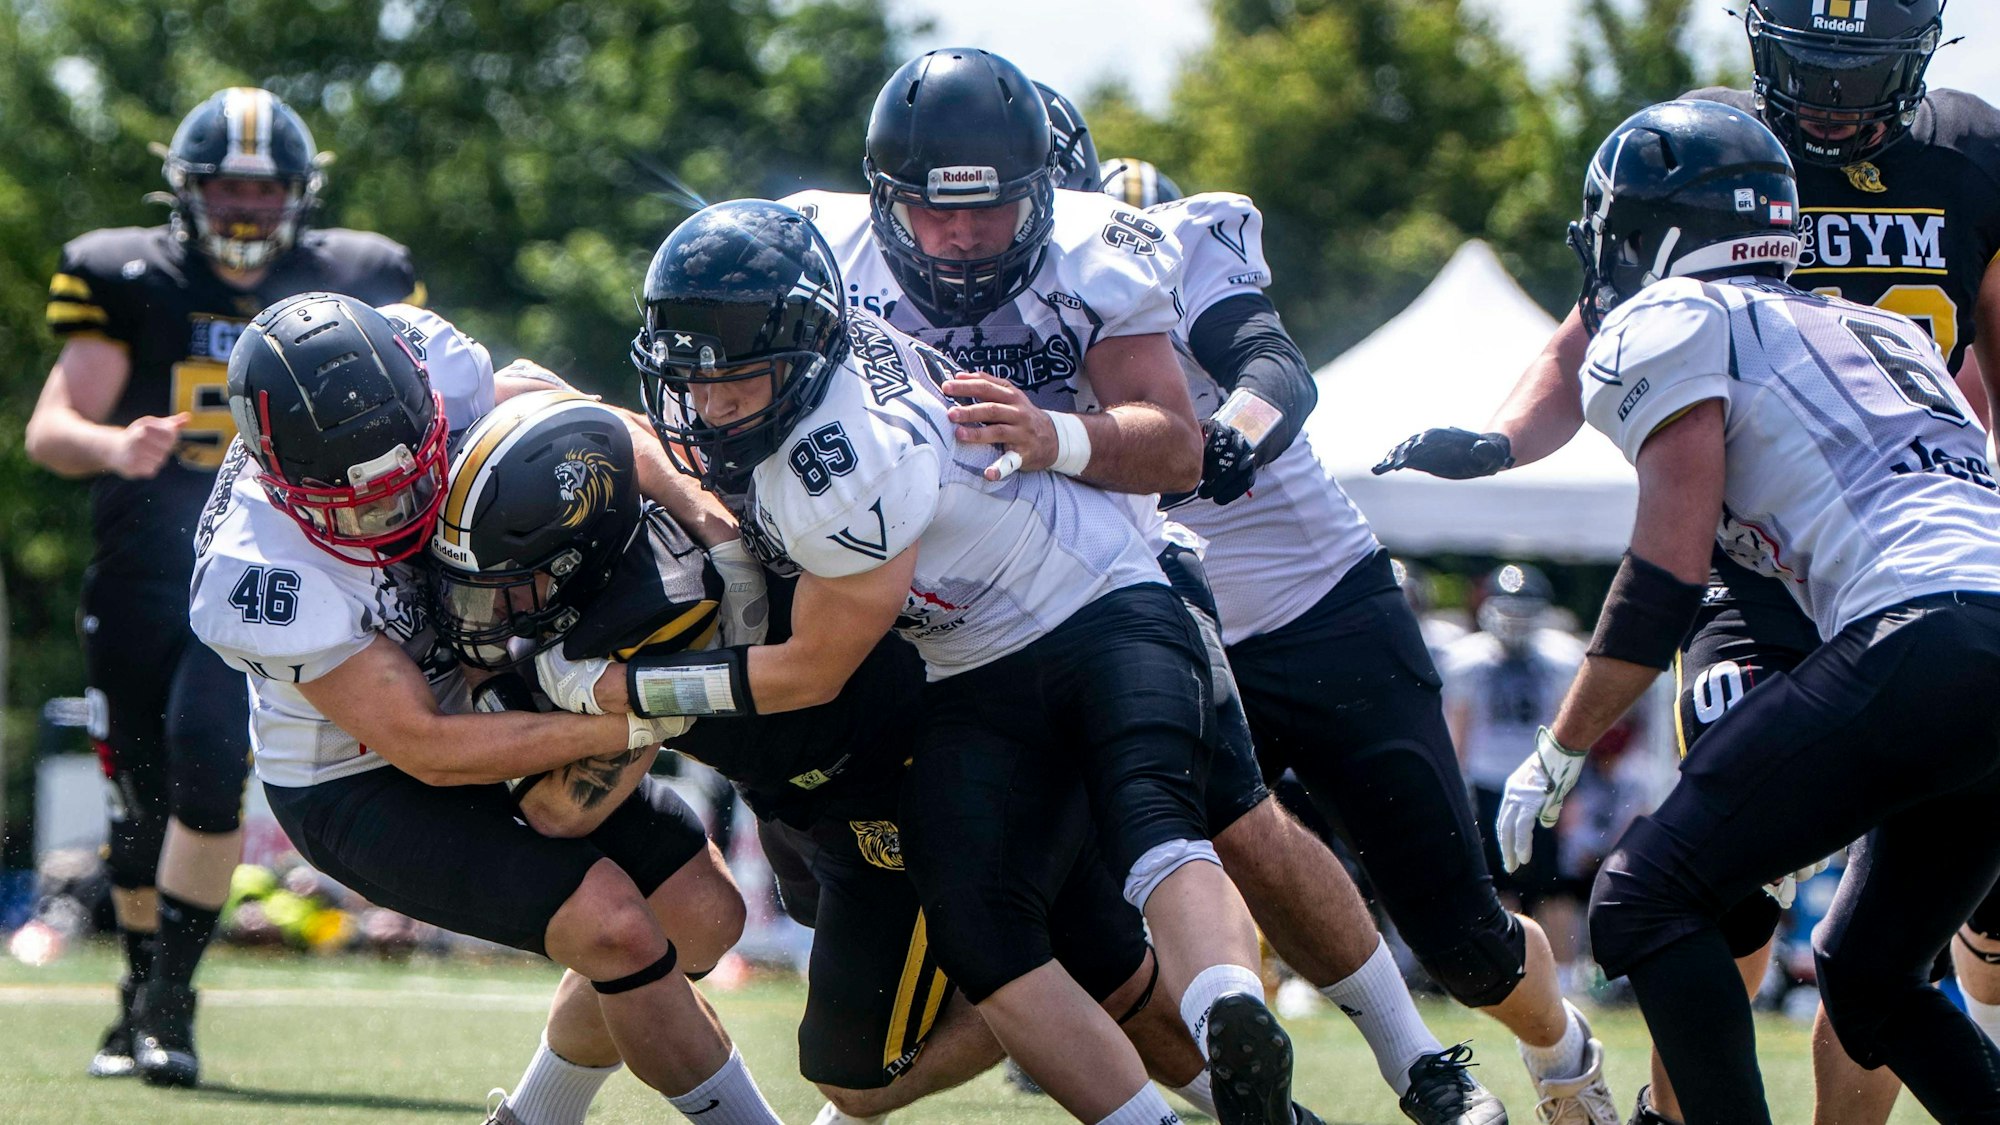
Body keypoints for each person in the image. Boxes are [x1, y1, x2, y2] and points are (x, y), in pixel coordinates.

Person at [786, 51, 1506, 1123]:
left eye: (995, 210)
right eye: (935, 213)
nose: (964, 238)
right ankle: (1227, 1091)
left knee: (1221, 813)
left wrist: (1061, 436)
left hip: (1107, 571)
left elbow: (1192, 433)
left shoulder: (1105, 248)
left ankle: (1406, 1061)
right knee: (973, 881)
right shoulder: (816, 249)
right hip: (929, 612)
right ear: (885, 195)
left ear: (1048, 191)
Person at [1373, 3, 2000, 1119]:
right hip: (1943, 595)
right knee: (1861, 968)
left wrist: (1556, 756)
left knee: (1642, 898)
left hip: (1902, 621)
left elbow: (1661, 572)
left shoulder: (1672, 317)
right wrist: (1503, 441)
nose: (1828, 97)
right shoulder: (1899, 335)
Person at [606, 196, 1307, 1125]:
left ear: (799, 353)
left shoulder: (841, 471)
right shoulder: (834, 347)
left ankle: (1228, 1007)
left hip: (1097, 612)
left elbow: (810, 669)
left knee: (1153, 820)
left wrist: (624, 694)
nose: (708, 401)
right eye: (691, 377)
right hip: (986, 662)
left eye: (737, 378)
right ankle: (1194, 1059)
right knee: (988, 924)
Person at [429, 393, 1220, 1125]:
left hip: (901, 788)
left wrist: (610, 699)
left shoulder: (652, 611)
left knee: (864, 1069)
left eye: (515, 582)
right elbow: (597, 417)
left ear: (579, 552)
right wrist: (697, 512)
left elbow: (561, 807)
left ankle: (1051, 1007)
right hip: (811, 788)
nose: (498, 608)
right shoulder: (657, 505)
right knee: (1116, 979)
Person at [188, 293, 783, 1125]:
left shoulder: (440, 363)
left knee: (704, 917)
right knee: (612, 925)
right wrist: (643, 715)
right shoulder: (257, 572)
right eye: (357, 509)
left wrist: (712, 528)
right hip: (358, 774)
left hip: (485, 684)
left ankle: (534, 1115)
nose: (397, 519)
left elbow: (587, 429)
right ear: (282, 485)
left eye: (413, 481)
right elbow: (426, 746)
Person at [1111, 152, 1609, 1120]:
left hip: (1323, 616)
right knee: (1168, 870)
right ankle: (1376, 1076)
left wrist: (1229, 438)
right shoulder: (988, 306)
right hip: (1169, 634)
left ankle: (1560, 1053)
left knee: (1461, 936)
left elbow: (1274, 371)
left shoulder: (1179, 254)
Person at [23, 86, 420, 1087]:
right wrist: (120, 441)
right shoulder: (126, 272)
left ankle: (170, 1005)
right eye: (229, 188)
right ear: (189, 191)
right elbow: (51, 428)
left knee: (208, 770)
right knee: (136, 811)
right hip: (141, 569)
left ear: (298, 195)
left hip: (260, 567)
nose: (246, 209)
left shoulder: (356, 275)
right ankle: (138, 994)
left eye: (265, 189)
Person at [1442, 566, 1585, 922]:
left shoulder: (1563, 658)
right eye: (1509, 611)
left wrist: (1571, 790)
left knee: (1549, 885)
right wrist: (1457, 788)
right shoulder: (1466, 659)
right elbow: (1460, 727)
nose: (1516, 621)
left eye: (1524, 613)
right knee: (1495, 883)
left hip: (1543, 781)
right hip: (1487, 781)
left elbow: (1568, 725)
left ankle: (1557, 973)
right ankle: (1509, 964)